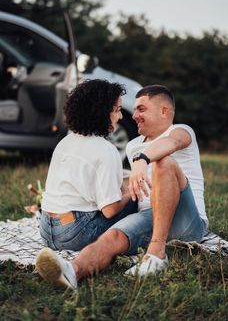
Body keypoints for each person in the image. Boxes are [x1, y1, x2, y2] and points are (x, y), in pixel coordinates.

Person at [36, 84, 208, 289]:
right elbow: (131, 184)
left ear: (165, 111)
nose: (133, 115)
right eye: (134, 109)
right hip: (149, 216)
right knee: (113, 236)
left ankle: (156, 255)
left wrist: (143, 159)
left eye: (141, 109)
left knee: (164, 162)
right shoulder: (133, 145)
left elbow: (171, 143)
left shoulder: (180, 131)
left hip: (186, 219)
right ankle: (72, 271)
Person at [38, 79, 137, 254]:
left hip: (46, 229)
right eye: (117, 110)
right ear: (102, 112)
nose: (120, 116)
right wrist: (130, 192)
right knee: (137, 203)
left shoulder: (65, 142)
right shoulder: (106, 149)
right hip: (74, 234)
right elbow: (110, 210)